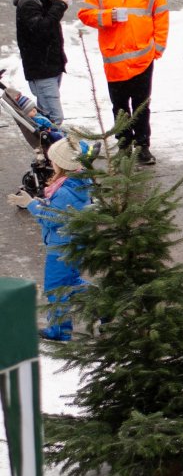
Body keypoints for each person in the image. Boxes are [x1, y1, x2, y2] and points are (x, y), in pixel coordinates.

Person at [78, 0, 169, 165]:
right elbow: (85, 14)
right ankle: (124, 145)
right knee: (119, 107)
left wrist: (158, 47)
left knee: (141, 105)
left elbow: (161, 16)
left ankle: (143, 146)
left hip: (142, 59)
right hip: (115, 61)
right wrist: (108, 16)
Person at [7, 137, 92, 341]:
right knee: (71, 282)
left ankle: (59, 330)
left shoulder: (65, 191)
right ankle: (104, 304)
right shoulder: (74, 184)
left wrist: (32, 205)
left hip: (61, 247)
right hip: (71, 244)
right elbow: (59, 211)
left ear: (62, 164)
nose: (50, 162)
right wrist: (40, 202)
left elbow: (53, 218)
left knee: (55, 287)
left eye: (53, 159)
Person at [14, 0, 71, 125]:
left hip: (51, 65)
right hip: (41, 69)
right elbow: (41, 29)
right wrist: (59, 5)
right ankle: (55, 150)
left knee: (45, 116)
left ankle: (46, 149)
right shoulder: (28, 3)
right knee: (54, 118)